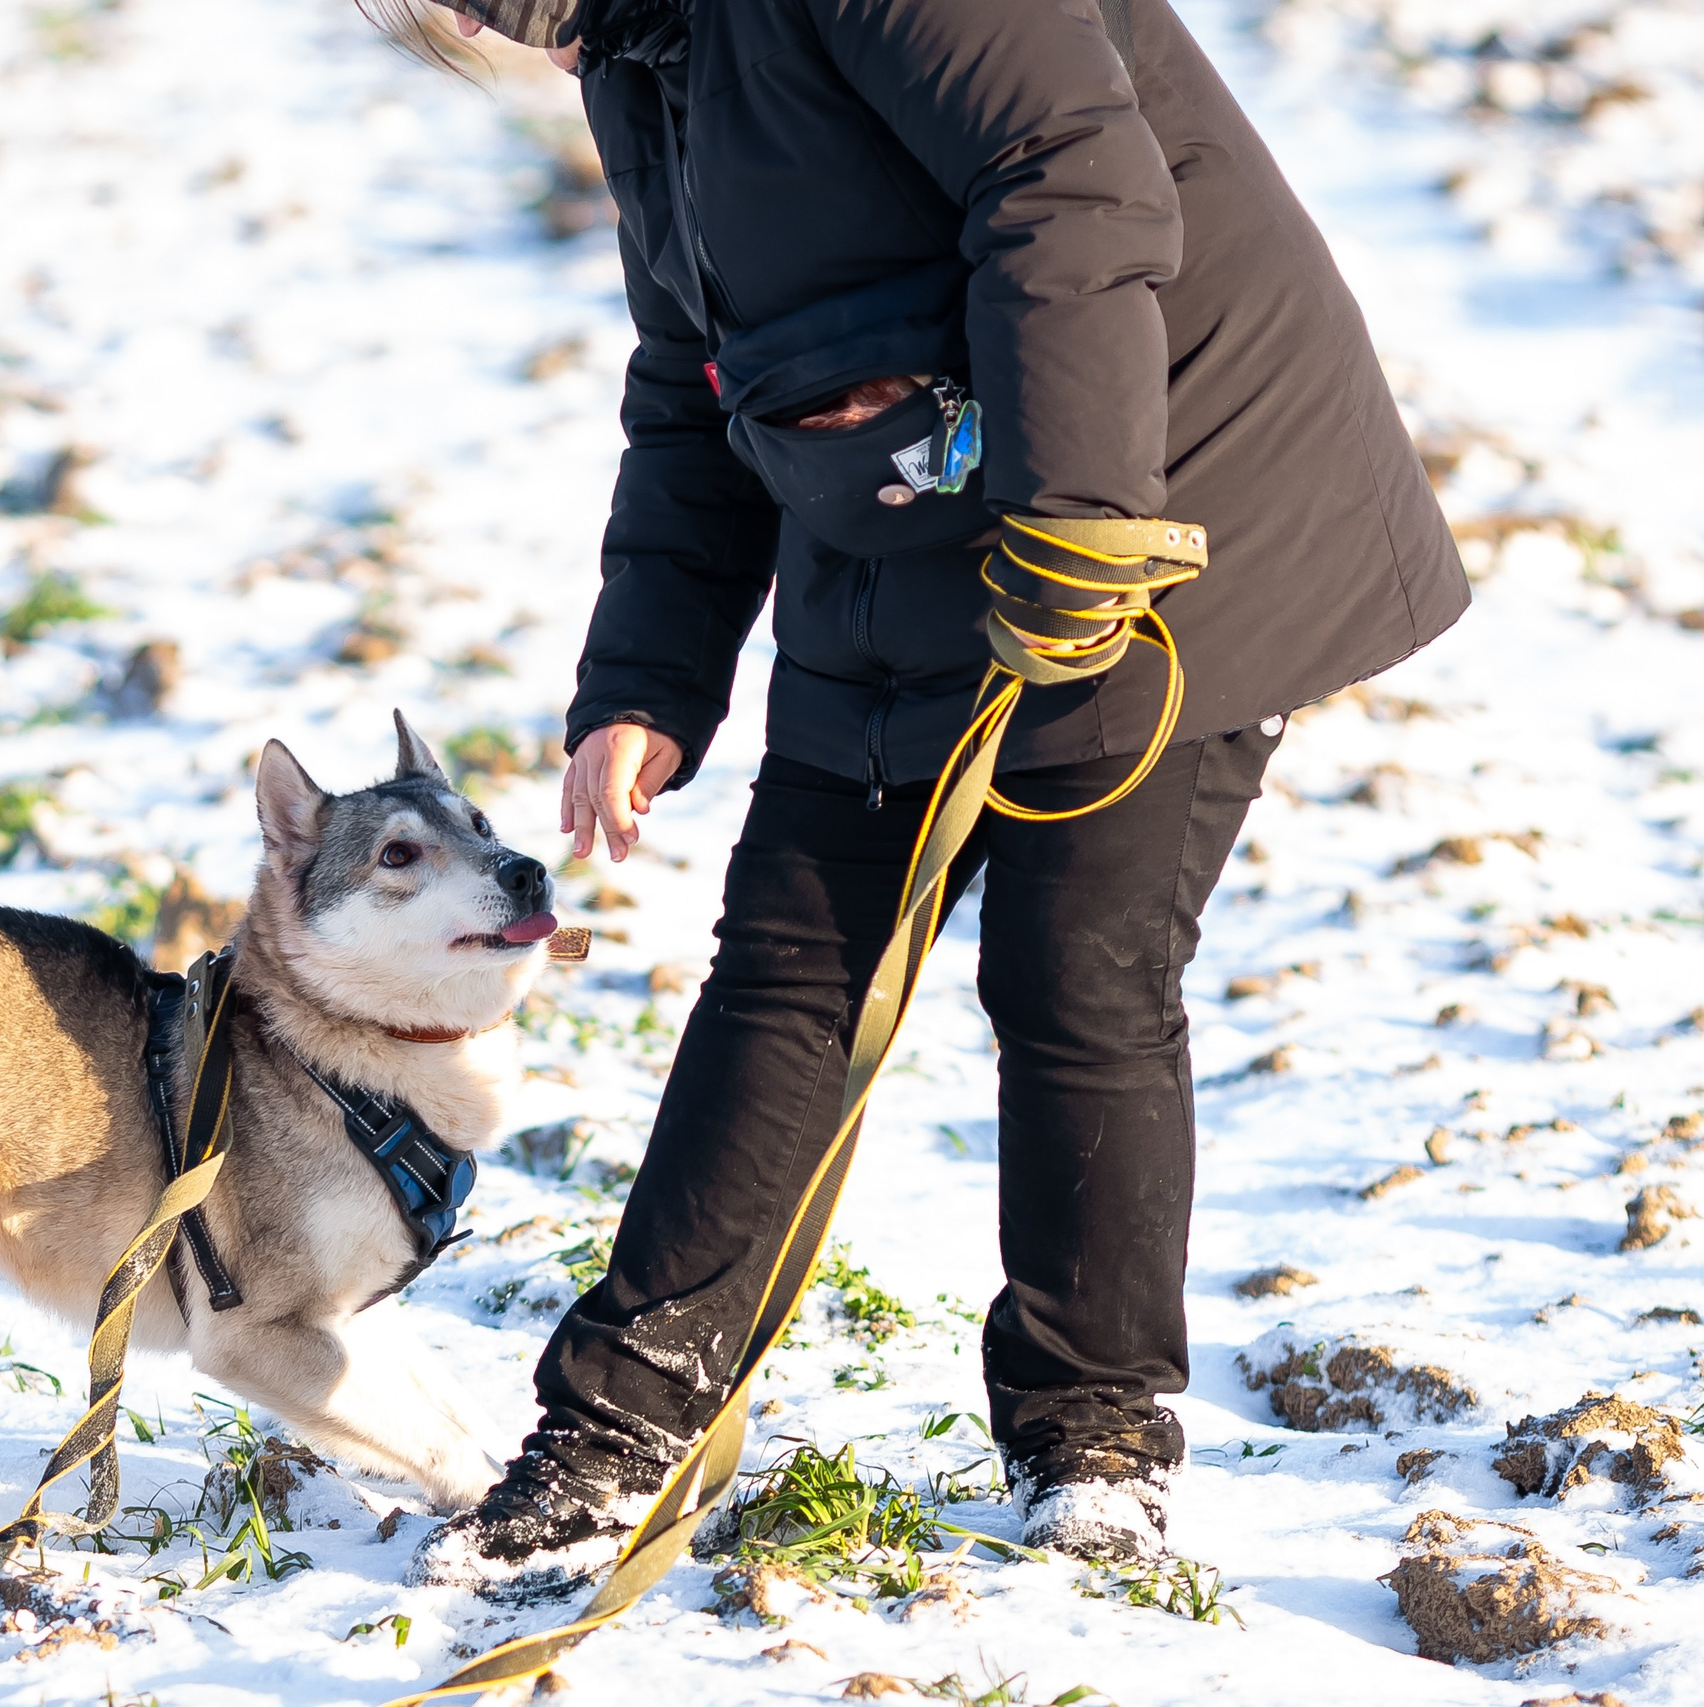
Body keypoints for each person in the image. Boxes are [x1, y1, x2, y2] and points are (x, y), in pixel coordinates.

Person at [371, 0, 1466, 1593]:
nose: (490, 29)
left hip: (1164, 487)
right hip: (898, 497)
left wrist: (1085, 521)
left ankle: (1094, 1443)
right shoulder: (640, 48)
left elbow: (1073, 176)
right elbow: (695, 365)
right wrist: (645, 683)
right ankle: (614, 1429)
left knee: (1074, 964)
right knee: (794, 955)